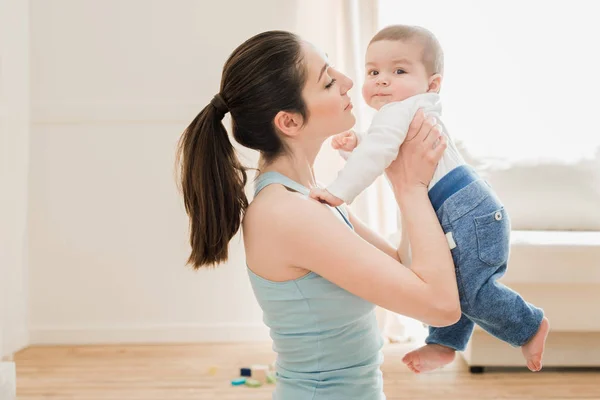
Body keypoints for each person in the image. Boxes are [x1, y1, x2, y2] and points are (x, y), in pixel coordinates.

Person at [177, 30, 459, 400]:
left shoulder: (310, 198)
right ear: (290, 122)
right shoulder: (287, 213)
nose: (348, 82)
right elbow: (440, 308)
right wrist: (411, 189)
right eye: (328, 81)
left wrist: (402, 178)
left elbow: (407, 271)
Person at [309, 25, 550, 373]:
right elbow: (386, 149)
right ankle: (443, 342)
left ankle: (529, 325)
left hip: (463, 210)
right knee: (448, 283)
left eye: (399, 70)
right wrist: (358, 146)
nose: (382, 80)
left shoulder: (398, 111)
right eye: (373, 71)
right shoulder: (403, 112)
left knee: (469, 291)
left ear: (432, 84)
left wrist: (337, 191)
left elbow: (380, 153)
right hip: (464, 206)